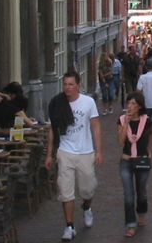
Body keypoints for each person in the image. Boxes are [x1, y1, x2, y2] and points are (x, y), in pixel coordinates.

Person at [46, 71, 104, 241]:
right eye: (65, 84)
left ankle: (86, 207)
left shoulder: (88, 102)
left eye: (71, 84)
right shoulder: (58, 103)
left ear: (78, 85)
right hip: (65, 151)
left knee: (87, 189)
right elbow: (53, 129)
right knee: (66, 191)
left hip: (85, 152)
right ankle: (69, 226)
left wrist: (98, 150)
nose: (67, 88)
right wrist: (50, 154)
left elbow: (95, 127)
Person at [117, 92, 152, 238]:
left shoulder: (146, 121)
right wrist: (126, 122)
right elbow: (120, 142)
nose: (129, 107)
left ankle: (142, 213)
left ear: (139, 106)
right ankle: (130, 224)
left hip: (142, 160)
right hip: (126, 160)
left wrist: (149, 150)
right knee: (128, 194)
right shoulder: (121, 120)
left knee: (141, 190)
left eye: (133, 104)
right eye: (128, 103)